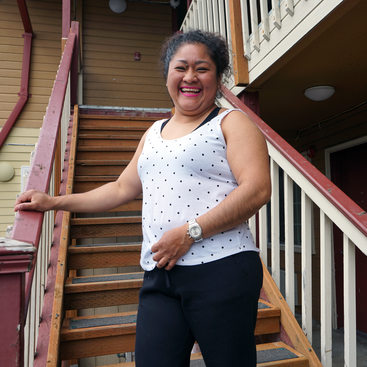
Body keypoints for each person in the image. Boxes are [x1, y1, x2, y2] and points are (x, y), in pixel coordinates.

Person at [15, 30, 271, 366]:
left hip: (221, 271)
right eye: (181, 67)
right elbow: (121, 188)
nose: (190, 77)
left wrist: (190, 232)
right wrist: (55, 201)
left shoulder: (231, 123)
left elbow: (257, 189)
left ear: (218, 77)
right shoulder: (153, 132)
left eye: (202, 68)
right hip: (160, 273)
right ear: (167, 74)